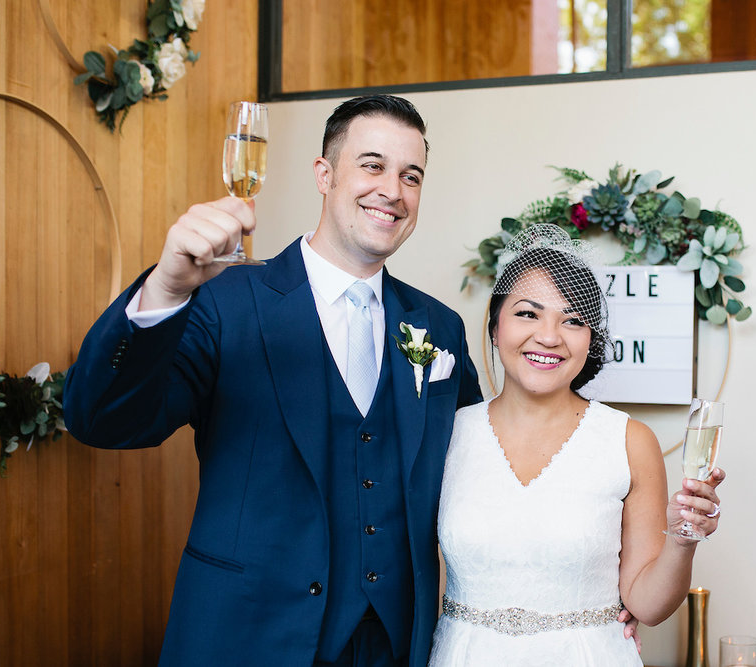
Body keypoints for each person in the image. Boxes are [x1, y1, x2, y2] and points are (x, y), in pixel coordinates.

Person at [64, 95, 484, 666]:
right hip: (248, 635)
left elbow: (476, 481)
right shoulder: (223, 301)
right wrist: (164, 289)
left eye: (411, 176)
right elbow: (103, 420)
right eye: (372, 165)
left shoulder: (438, 326)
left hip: (392, 642)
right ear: (324, 174)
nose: (393, 189)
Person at [428, 225, 725, 665]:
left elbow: (646, 604)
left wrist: (684, 540)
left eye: (572, 320)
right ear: (495, 326)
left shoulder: (629, 440)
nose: (549, 336)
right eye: (528, 314)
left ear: (591, 340)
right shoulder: (445, 434)